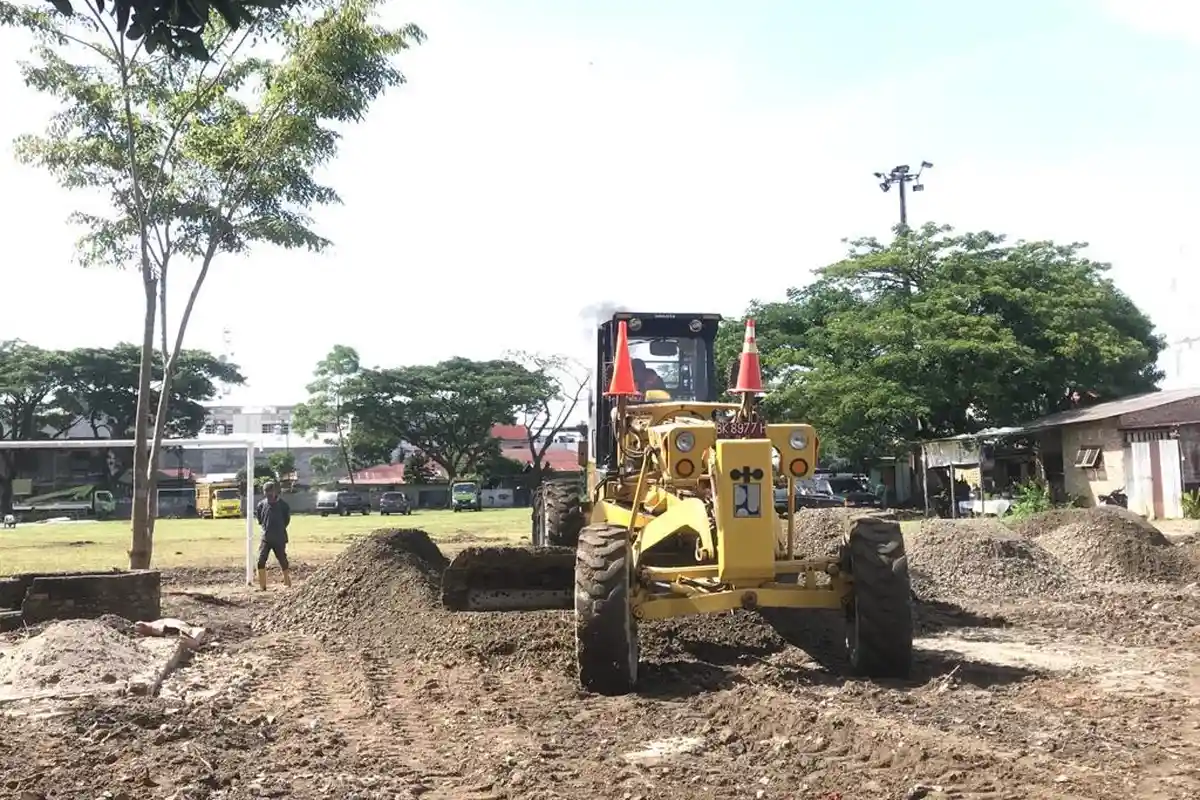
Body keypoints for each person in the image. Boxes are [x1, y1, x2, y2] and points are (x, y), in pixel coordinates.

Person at [255, 481, 292, 590]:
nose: (268, 496)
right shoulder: (261, 505)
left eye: (270, 493)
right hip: (266, 538)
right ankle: (262, 586)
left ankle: (287, 581)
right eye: (266, 493)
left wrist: (279, 529)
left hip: (279, 537)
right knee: (261, 560)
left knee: (282, 559)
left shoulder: (283, 505)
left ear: (275, 491)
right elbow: (260, 520)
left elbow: (286, 520)